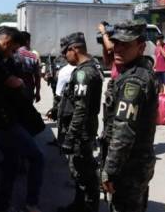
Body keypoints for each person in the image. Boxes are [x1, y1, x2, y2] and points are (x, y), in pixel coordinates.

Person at [0, 26, 44, 212]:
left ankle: (3, 205)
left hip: (1, 120)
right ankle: (31, 203)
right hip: (2, 122)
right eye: (14, 49)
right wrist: (20, 82)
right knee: (37, 158)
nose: (14, 53)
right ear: (6, 42)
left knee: (11, 163)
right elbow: (12, 81)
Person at [101, 20, 157, 212]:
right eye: (116, 43)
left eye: (125, 44)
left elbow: (123, 132)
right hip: (136, 164)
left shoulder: (133, 81)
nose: (118, 48)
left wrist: (110, 171)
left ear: (140, 47)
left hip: (128, 167)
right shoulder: (135, 70)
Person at [58, 32, 103, 212]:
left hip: (81, 132)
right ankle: (78, 206)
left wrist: (70, 137)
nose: (64, 57)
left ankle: (88, 207)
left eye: (65, 53)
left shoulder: (83, 73)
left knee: (85, 174)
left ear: (74, 49)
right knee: (81, 172)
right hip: (84, 130)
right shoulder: (90, 67)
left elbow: (81, 109)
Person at [13, 31, 41, 102]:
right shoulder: (33, 57)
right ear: (27, 41)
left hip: (13, 89)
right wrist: (37, 92)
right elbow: (37, 77)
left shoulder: (11, 54)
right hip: (28, 91)